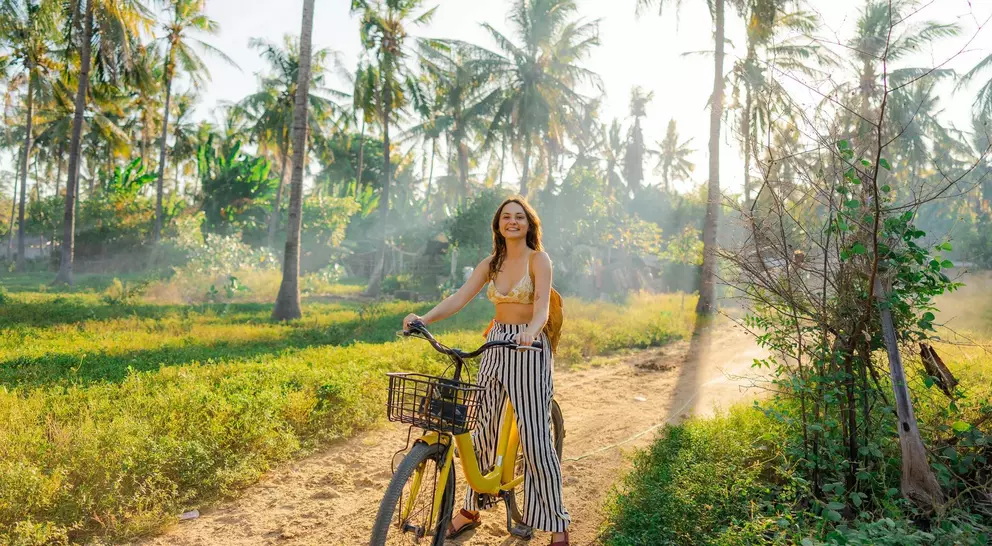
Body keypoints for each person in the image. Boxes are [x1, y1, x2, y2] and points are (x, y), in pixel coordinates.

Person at [403, 197, 571, 546]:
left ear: (529, 224)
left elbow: (540, 308)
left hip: (528, 347)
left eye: (519, 217)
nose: (512, 221)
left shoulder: (538, 259)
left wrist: (531, 332)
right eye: (506, 217)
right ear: (498, 224)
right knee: (481, 430)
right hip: (495, 345)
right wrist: (424, 318)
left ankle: (557, 523)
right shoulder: (491, 263)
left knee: (536, 440)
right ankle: (469, 510)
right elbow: (459, 297)